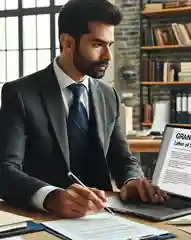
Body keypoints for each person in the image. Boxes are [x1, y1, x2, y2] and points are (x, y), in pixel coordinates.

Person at [0, 0, 167, 218]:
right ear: (67, 43)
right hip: (46, 219)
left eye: (110, 45)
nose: (108, 56)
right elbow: (5, 171)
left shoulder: (109, 96)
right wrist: (52, 197)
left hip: (105, 215)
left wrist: (132, 179)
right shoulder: (20, 93)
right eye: (98, 45)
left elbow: (122, 158)